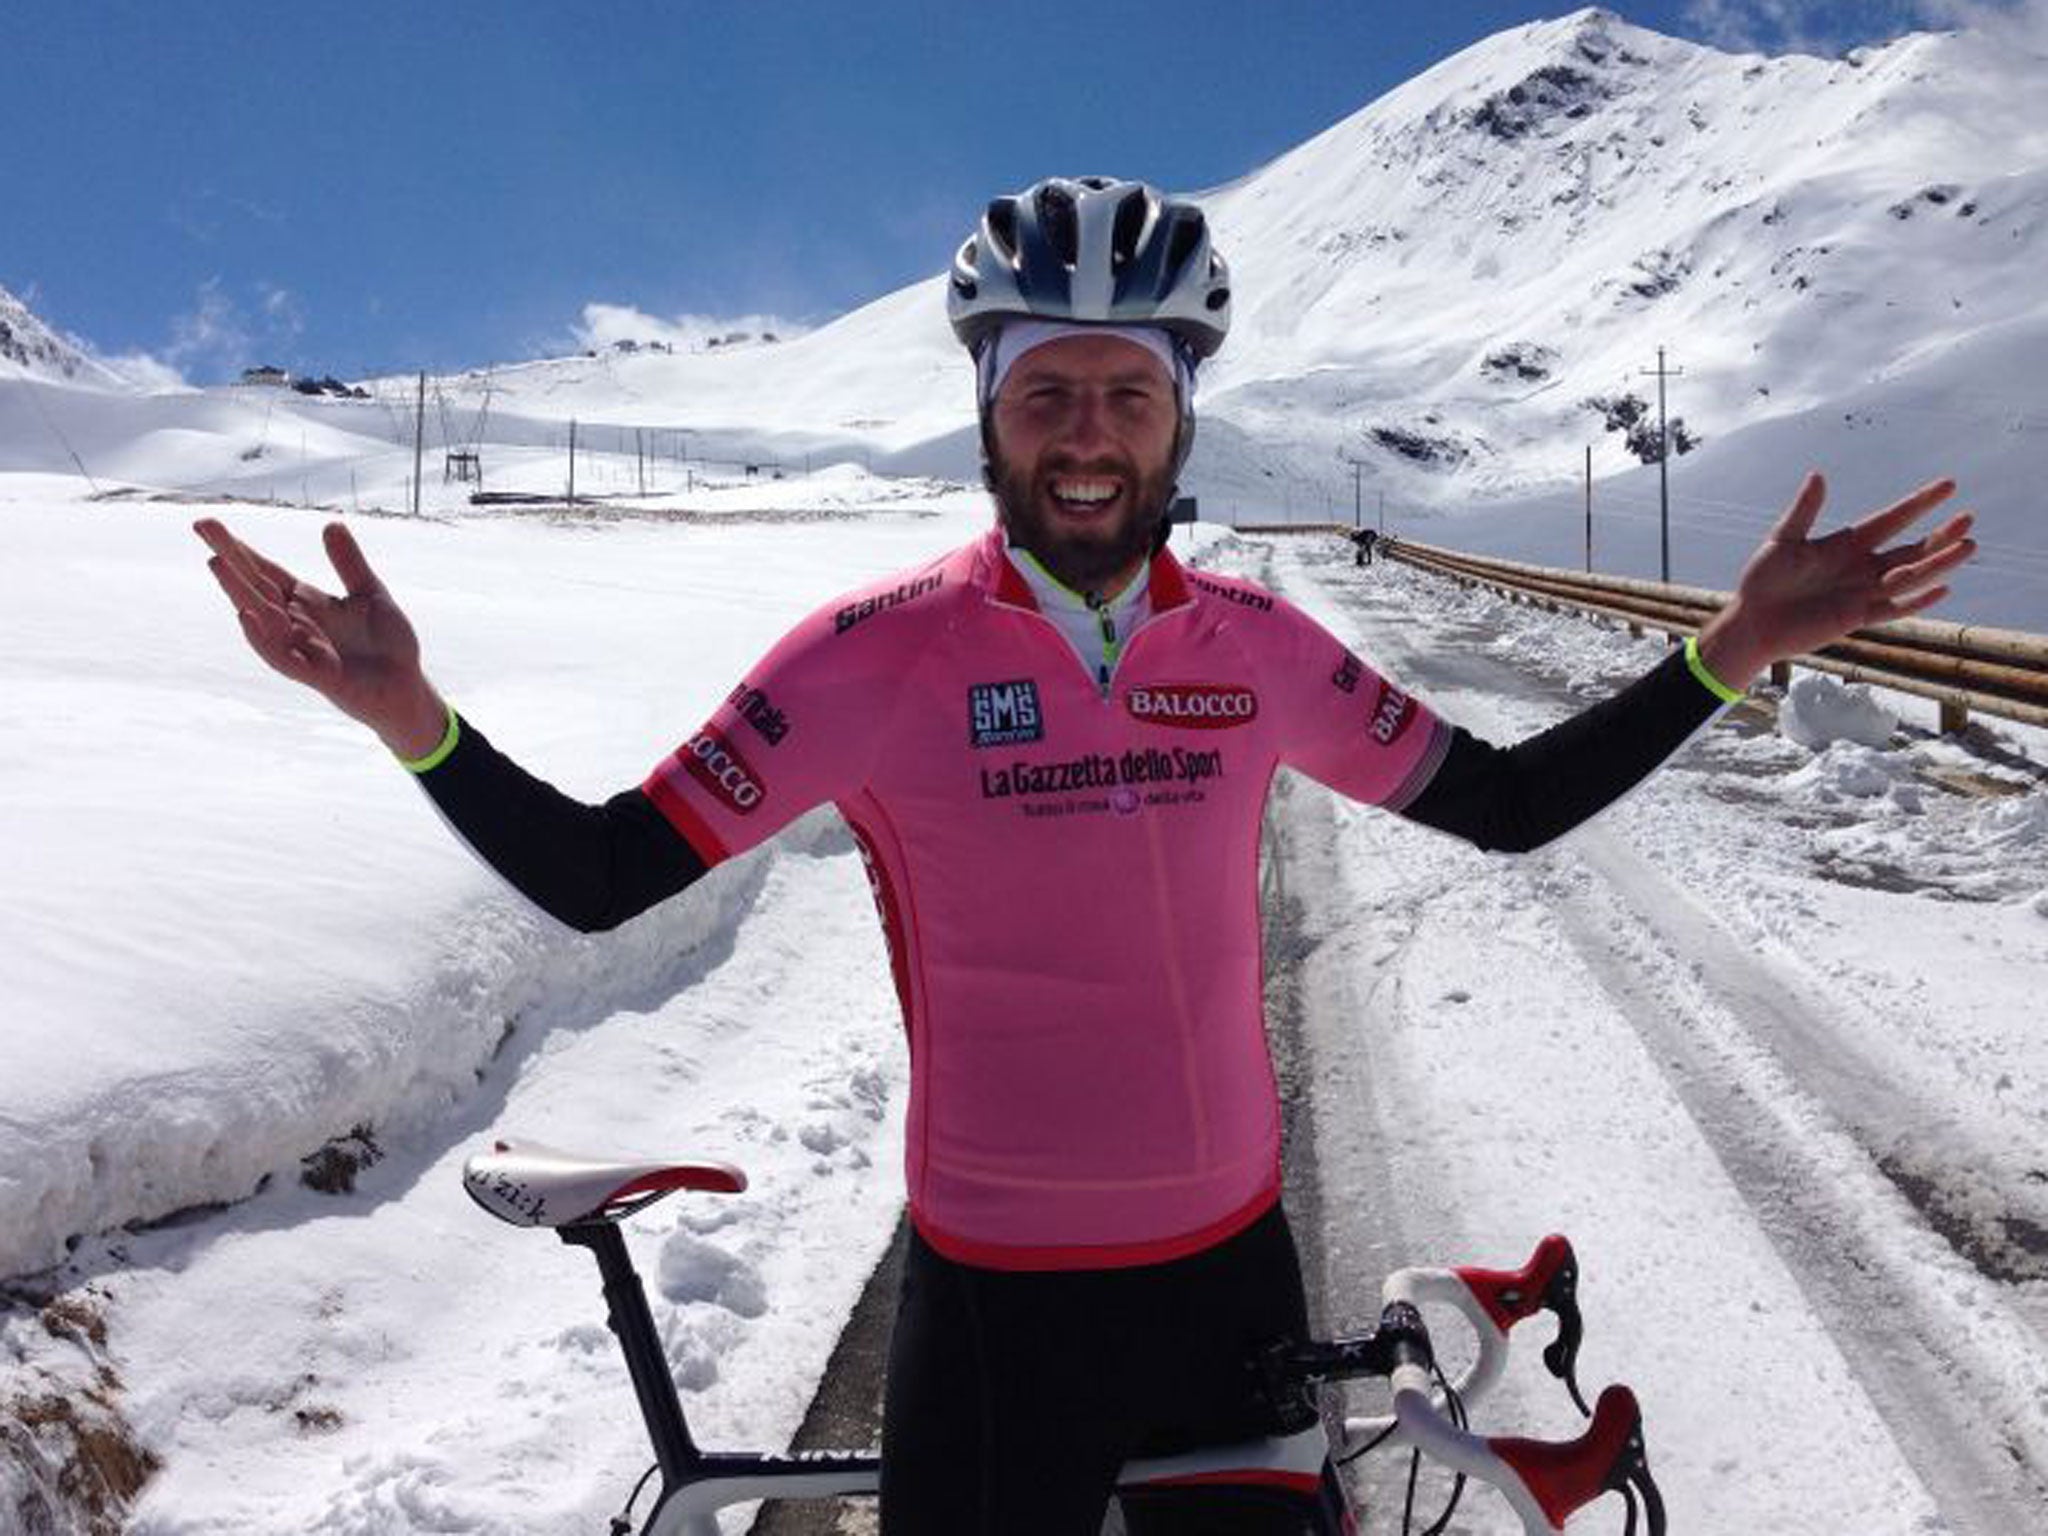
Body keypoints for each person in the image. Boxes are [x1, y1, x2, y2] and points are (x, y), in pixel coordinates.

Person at [194, 175, 1975, 1535]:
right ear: (990, 414)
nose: (1090, 432)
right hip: (992, 1312)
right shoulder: (869, 656)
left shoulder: (1265, 651)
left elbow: (1500, 808)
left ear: (1182, 417)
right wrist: (410, 716)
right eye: (1049, 392)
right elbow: (600, 874)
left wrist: (1726, 654)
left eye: (1128, 391)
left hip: (1228, 1278)